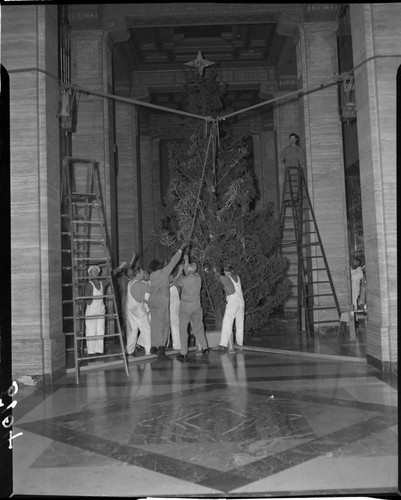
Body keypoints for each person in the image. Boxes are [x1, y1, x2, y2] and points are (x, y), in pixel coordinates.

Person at [147, 241, 187, 360]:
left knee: (154, 324)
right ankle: (161, 349)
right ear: (160, 267)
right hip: (161, 301)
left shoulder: (152, 275)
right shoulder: (163, 273)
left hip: (152, 300)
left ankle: (153, 346)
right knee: (164, 324)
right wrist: (181, 248)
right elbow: (174, 261)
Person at [175, 254, 209, 362]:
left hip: (185, 307)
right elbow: (189, 271)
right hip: (196, 306)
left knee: (183, 330)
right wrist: (187, 260)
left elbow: (175, 282)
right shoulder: (198, 278)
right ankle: (205, 348)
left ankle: (184, 353)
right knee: (199, 327)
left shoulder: (183, 280)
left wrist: (180, 270)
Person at [213, 264, 245, 353]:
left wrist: (215, 270)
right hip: (241, 301)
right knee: (240, 323)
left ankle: (223, 344)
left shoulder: (226, 278)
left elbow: (218, 277)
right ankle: (239, 343)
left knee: (227, 322)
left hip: (232, 301)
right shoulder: (237, 277)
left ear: (227, 271)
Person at [125, 267, 151, 356]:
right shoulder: (141, 284)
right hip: (138, 310)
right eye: (143, 272)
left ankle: (129, 350)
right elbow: (153, 290)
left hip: (130, 311)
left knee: (133, 331)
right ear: (138, 273)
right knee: (147, 330)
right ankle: (148, 351)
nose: (144, 274)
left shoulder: (130, 282)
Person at [84, 265, 106, 356]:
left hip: (101, 310)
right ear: (90, 274)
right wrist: (90, 302)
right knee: (91, 330)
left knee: (100, 330)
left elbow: (111, 276)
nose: (95, 273)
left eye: (96, 271)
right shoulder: (89, 284)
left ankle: (99, 350)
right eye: (93, 271)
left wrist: (120, 267)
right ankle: (91, 351)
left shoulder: (102, 283)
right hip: (91, 311)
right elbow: (86, 298)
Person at [169, 272, 181, 350]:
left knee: (175, 327)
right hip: (170, 309)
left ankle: (177, 345)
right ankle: (175, 345)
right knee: (173, 327)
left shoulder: (176, 286)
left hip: (175, 309)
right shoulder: (168, 286)